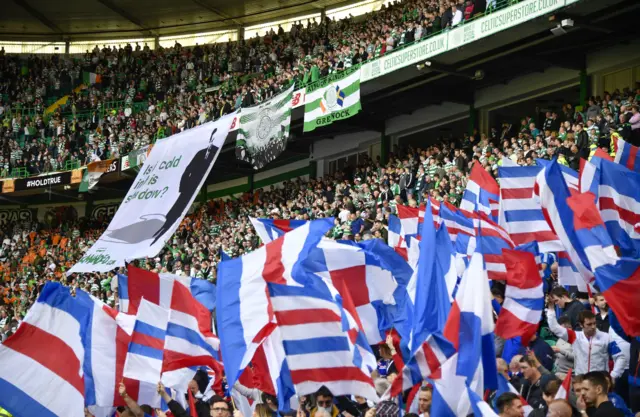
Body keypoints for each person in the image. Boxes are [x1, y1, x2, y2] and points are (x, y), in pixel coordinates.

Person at [547, 309, 626, 378]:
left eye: (594, 323)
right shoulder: (575, 336)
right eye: (589, 324)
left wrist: (614, 375)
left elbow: (620, 357)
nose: (593, 327)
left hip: (599, 381)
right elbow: (554, 327)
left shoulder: (606, 337)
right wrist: (550, 308)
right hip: (581, 381)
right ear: (581, 325)